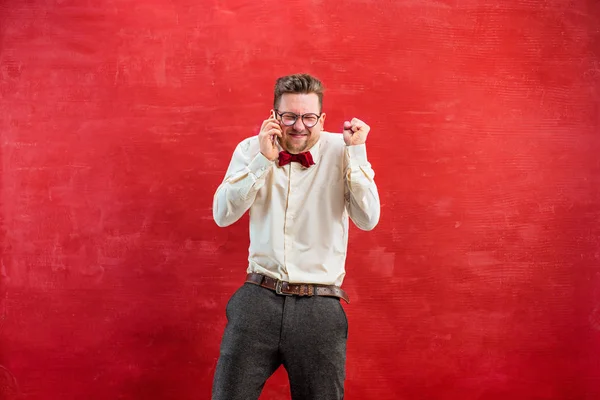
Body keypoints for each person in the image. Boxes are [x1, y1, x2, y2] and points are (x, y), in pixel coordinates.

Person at [211, 73, 380, 400]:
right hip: (258, 298)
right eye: (289, 116)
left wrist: (357, 154)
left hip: (320, 306)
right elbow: (222, 215)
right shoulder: (250, 149)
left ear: (322, 118)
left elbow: (368, 218)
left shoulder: (343, 150)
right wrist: (262, 161)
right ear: (274, 116)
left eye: (308, 117)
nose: (299, 126)